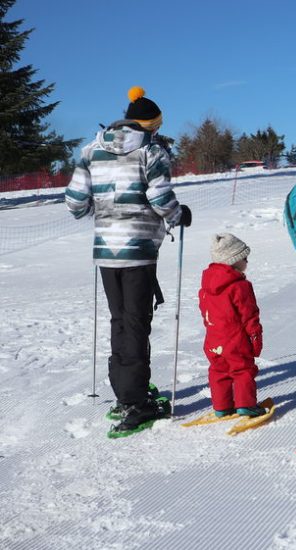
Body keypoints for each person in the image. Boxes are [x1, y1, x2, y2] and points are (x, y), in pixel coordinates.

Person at [65, 86, 192, 435]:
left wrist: (101, 209)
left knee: (120, 320)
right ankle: (136, 402)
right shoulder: (151, 152)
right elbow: (160, 196)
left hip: (107, 249)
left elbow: (75, 201)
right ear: (149, 124)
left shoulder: (91, 150)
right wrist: (178, 215)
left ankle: (125, 392)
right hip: (138, 249)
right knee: (137, 323)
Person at [198, 233, 265, 417]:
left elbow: (205, 312)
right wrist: (255, 339)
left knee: (219, 371)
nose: (247, 262)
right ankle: (246, 405)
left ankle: (222, 406)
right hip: (235, 340)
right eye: (245, 258)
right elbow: (249, 316)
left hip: (213, 340)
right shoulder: (240, 287)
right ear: (233, 260)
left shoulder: (206, 286)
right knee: (243, 369)